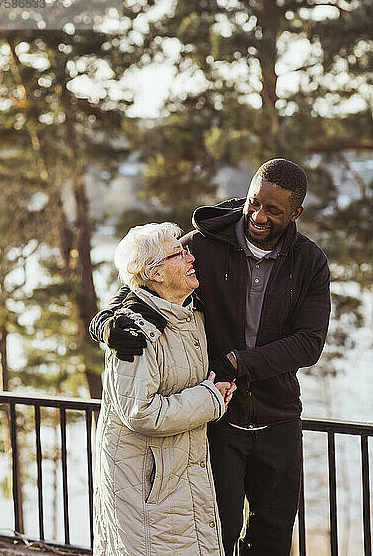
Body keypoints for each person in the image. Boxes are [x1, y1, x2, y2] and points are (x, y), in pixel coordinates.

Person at [91, 159, 331, 556]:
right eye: (255, 203)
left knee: (272, 538)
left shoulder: (309, 261)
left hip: (279, 419)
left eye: (273, 211)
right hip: (219, 422)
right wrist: (104, 321)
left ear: (295, 213)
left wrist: (238, 363)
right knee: (217, 533)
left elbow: (309, 343)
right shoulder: (204, 244)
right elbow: (145, 276)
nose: (258, 216)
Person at [90, 222, 236, 556]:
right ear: (155, 272)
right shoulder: (133, 331)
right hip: (146, 488)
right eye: (179, 252)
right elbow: (140, 412)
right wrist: (210, 398)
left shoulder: (190, 313)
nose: (191, 256)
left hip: (179, 478)